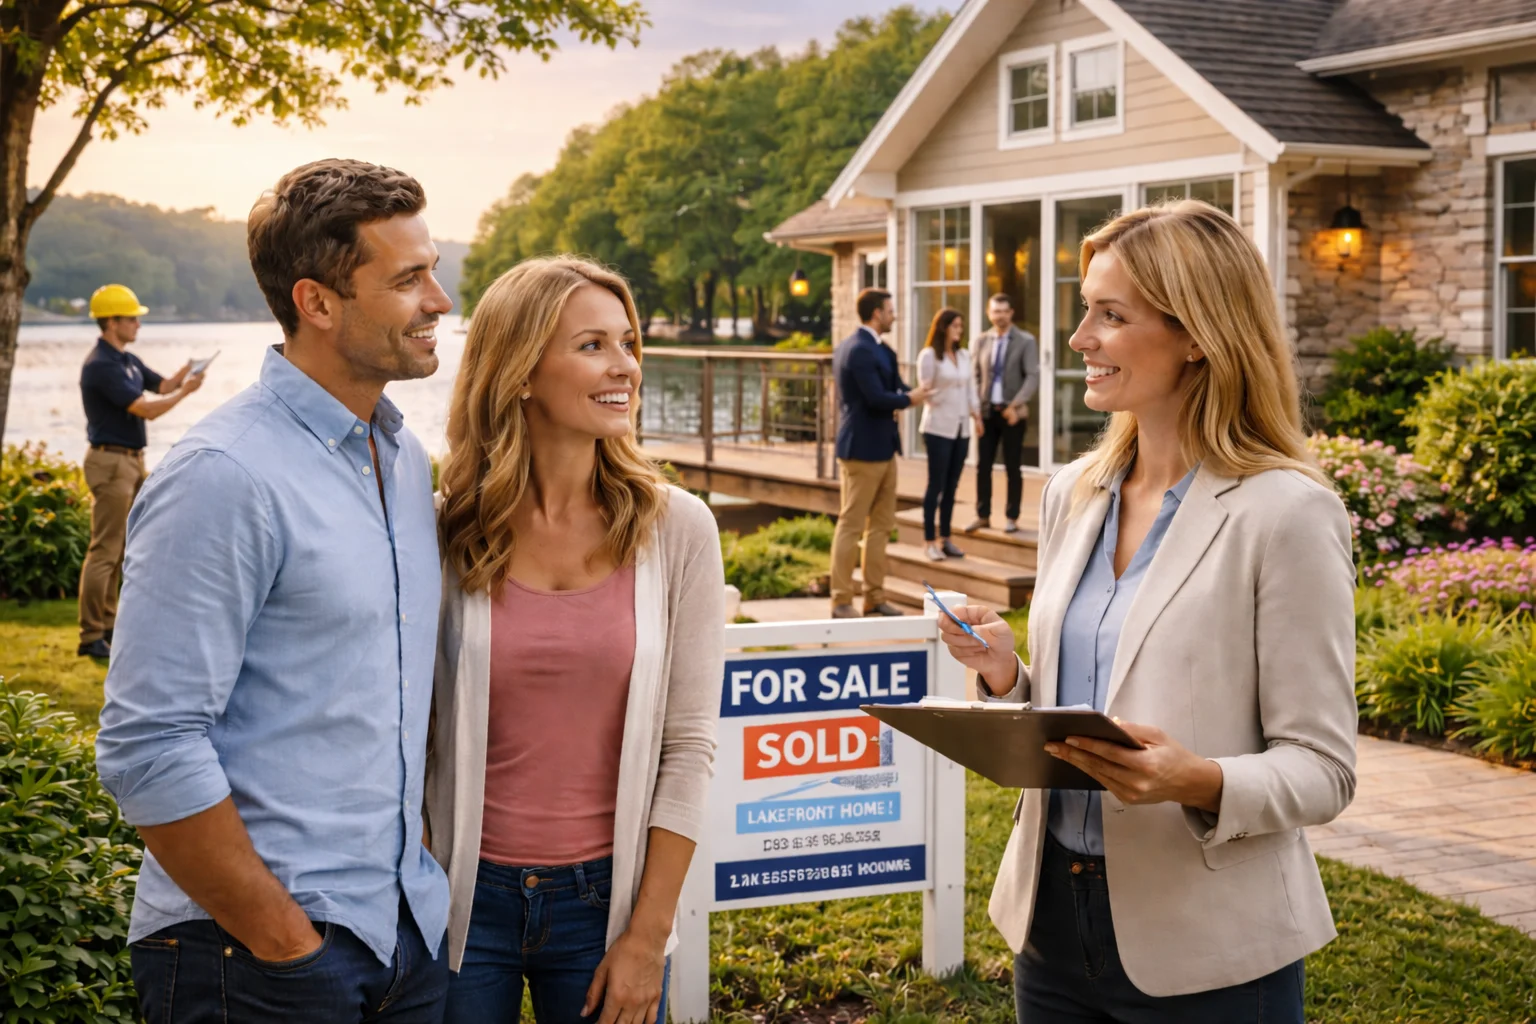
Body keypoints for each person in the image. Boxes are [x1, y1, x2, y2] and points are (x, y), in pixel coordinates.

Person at [934, 201, 1356, 1023]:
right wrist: (1005, 675)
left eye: (1111, 315)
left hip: (1211, 951)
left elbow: (1324, 768)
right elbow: (1071, 719)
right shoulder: (1073, 493)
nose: (1079, 337)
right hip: (1050, 928)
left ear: (1198, 332)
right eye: (1084, 309)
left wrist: (1195, 778)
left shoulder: (1288, 513)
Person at [96, 158, 456, 1023]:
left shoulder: (402, 458)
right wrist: (285, 943)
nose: (440, 301)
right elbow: (149, 745)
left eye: (432, 271)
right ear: (318, 302)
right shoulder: (224, 476)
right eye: (409, 279)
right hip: (257, 964)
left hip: (400, 938)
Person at [428, 255, 724, 1024]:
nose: (624, 365)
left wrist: (646, 936)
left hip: (608, 902)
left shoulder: (678, 529)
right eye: (592, 345)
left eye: (628, 342)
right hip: (461, 901)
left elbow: (688, 746)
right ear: (520, 370)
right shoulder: (442, 525)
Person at [75, 283, 205, 658]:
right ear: (112, 322)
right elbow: (146, 408)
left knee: (122, 549)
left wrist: (186, 372)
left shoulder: (125, 360)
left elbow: (160, 384)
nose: (138, 325)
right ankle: (90, 636)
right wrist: (186, 393)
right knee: (104, 550)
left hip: (131, 460)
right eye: (132, 318)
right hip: (111, 461)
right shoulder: (101, 366)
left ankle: (110, 626)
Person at [828, 288, 932, 618]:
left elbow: (896, 386)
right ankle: (841, 599)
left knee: (882, 526)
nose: (894, 315)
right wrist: (910, 400)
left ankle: (874, 597)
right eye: (890, 310)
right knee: (851, 524)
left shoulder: (881, 348)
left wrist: (919, 390)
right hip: (860, 449)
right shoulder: (857, 349)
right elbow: (876, 397)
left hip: (885, 448)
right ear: (876, 313)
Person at [965, 293, 1039, 535]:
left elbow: (1032, 376)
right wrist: (975, 411)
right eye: (996, 311)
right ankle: (982, 514)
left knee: (1012, 467)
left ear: (1011, 313)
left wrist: (1015, 405)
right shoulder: (980, 341)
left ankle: (1012, 516)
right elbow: (973, 376)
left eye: (1004, 311)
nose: (1000, 316)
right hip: (986, 413)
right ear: (989, 313)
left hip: (1012, 414)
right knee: (982, 466)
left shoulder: (1025, 341)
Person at [915, 307, 980, 562]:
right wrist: (946, 393)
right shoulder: (929, 356)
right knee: (936, 485)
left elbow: (971, 387)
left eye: (961, 326)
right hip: (938, 427)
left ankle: (946, 538)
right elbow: (925, 391)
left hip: (961, 428)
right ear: (943, 327)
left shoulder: (964, 355)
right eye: (955, 326)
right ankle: (929, 540)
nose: (959, 330)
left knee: (952, 486)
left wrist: (976, 415)